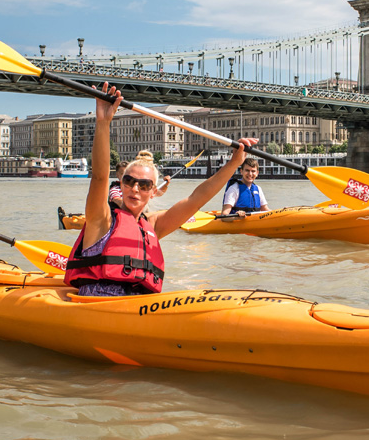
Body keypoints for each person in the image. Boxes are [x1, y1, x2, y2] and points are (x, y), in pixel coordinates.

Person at [66, 83, 257, 296]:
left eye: (144, 185)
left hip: (141, 306)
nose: (135, 188)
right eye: (129, 181)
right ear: (121, 184)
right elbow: (100, 177)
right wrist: (103, 122)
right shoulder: (102, 220)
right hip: (99, 305)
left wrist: (234, 163)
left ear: (153, 191)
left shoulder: (153, 225)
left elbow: (197, 199)